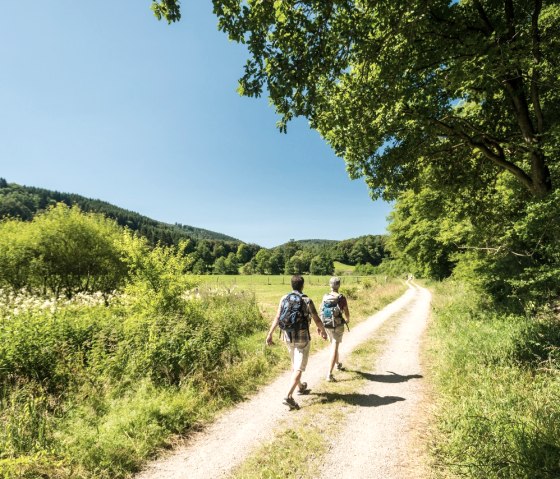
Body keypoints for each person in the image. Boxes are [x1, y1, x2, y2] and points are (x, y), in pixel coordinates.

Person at [266, 274, 328, 410]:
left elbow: (277, 317)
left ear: (291, 285)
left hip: (287, 335)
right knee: (299, 367)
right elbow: (317, 319)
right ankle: (288, 396)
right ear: (302, 285)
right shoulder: (306, 300)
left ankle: (300, 386)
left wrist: (270, 333)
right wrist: (322, 331)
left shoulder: (284, 298)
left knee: (294, 362)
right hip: (302, 336)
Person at [321, 276, 350, 382]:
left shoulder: (325, 296)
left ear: (330, 285)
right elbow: (346, 310)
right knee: (335, 347)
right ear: (339, 285)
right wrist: (347, 319)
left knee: (334, 344)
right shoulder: (341, 297)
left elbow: (321, 310)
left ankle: (337, 364)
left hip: (327, 324)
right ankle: (329, 374)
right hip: (337, 325)